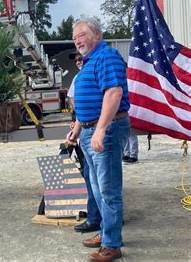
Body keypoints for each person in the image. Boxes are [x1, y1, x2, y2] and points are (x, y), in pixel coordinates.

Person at [66, 18, 130, 261]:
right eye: (74, 38)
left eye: (81, 35)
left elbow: (113, 93)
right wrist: (78, 127)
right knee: (97, 187)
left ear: (97, 35)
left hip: (108, 130)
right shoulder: (90, 60)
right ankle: (106, 234)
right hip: (90, 130)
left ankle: (112, 244)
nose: (76, 41)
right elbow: (89, 100)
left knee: (108, 189)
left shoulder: (107, 57)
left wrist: (101, 129)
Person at [67, 51, 101, 234]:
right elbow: (78, 105)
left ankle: (102, 221)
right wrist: (76, 125)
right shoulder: (77, 78)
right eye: (76, 59)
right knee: (91, 177)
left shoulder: (96, 72)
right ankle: (96, 218)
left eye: (81, 58)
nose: (78, 61)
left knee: (102, 180)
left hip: (97, 129)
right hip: (86, 129)